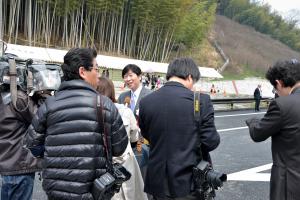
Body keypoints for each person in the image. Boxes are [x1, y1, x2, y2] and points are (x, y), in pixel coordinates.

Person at [25, 48, 128, 200]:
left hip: (56, 190)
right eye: (96, 69)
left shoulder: (50, 104)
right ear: (82, 71)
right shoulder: (105, 104)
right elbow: (119, 149)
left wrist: (54, 155)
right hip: (94, 190)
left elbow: (32, 144)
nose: (99, 75)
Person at [139, 58, 220, 200]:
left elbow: (147, 134)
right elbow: (211, 142)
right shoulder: (201, 101)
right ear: (190, 77)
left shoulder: (146, 102)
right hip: (189, 182)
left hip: (157, 181)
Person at [245, 59, 300, 200]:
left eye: (275, 88)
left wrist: (252, 121)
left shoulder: (282, 105)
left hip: (290, 181)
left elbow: (258, 133)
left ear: (279, 83)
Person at [97, 77, 148, 200]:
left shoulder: (89, 111)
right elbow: (135, 136)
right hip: (125, 163)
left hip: (100, 165)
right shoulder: (125, 111)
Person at [117, 64, 151, 170]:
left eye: (130, 75)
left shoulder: (150, 95)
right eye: (125, 76)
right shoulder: (123, 96)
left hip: (143, 143)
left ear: (139, 76)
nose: (128, 79)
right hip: (125, 144)